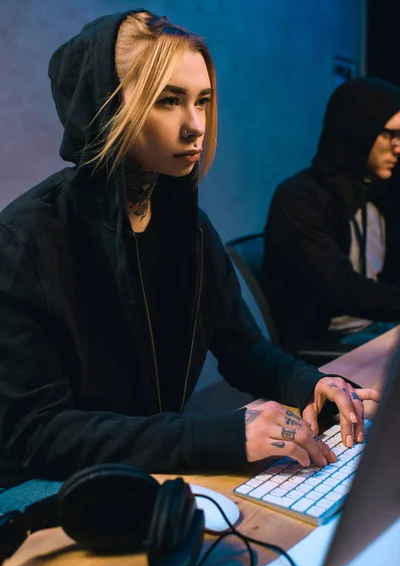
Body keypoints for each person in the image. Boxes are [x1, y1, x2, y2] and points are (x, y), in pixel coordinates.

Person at [0, 11, 378, 490]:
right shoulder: (22, 243)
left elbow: (242, 346)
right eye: (169, 101)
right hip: (38, 491)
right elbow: (40, 433)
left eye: (203, 101)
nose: (195, 125)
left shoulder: (190, 229)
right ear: (109, 106)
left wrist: (312, 384)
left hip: (149, 468)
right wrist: (218, 435)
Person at [263, 77, 400, 355]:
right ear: (358, 131)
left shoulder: (376, 193)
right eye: (390, 134)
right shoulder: (300, 197)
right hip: (324, 348)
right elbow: (340, 288)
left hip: (373, 331)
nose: (398, 147)